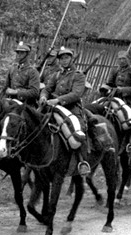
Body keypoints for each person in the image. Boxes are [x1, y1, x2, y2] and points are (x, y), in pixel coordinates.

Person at [39, 46, 95, 176]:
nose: (64, 61)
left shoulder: (78, 75)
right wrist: (43, 96)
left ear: (71, 59)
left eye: (67, 58)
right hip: (53, 107)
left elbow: (76, 94)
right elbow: (47, 89)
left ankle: (82, 162)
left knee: (76, 130)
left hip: (71, 108)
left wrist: (58, 100)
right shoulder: (56, 74)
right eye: (62, 58)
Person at [3, 41, 40, 106]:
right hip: (10, 102)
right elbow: (6, 87)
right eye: (18, 52)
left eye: (22, 53)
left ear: (27, 54)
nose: (19, 55)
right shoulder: (12, 69)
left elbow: (35, 92)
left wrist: (16, 92)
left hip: (25, 104)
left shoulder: (32, 71)